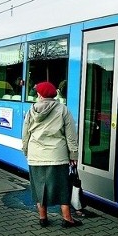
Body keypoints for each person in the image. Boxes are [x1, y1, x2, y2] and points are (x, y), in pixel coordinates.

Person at [22, 81, 82, 228]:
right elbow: (71, 136)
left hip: (36, 156)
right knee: (63, 187)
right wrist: (73, 155)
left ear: (40, 95)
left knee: (38, 187)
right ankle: (67, 219)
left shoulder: (31, 110)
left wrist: (26, 151)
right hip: (57, 155)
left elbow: (25, 134)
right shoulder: (63, 110)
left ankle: (43, 218)